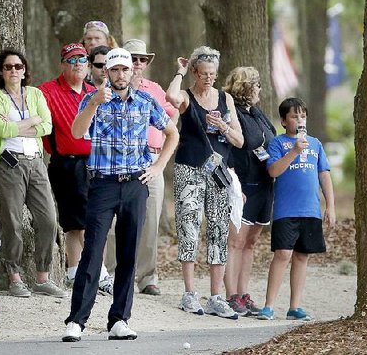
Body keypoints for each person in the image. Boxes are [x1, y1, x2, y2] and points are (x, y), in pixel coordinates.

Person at [62, 47, 178, 342]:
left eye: (126, 69)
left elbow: (172, 133)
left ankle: (119, 320)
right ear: (107, 72)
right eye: (115, 70)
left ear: (132, 71)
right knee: (92, 252)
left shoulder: (145, 101)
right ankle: (77, 320)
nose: (121, 74)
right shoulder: (94, 99)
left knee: (129, 253)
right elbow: (76, 132)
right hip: (102, 184)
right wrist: (93, 105)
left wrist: (158, 166)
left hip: (135, 183)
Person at [165, 46, 244, 319]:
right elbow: (171, 97)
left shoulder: (226, 99)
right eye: (203, 73)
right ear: (195, 73)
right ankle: (189, 293)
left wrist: (222, 125)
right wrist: (180, 70)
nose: (209, 78)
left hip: (218, 171)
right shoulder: (187, 96)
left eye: (213, 73)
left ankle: (216, 296)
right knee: (189, 227)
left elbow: (239, 139)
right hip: (189, 168)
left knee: (219, 230)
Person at [0, 49, 64, 298]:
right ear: (1, 71)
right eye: (8, 67)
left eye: (18, 67)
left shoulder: (35, 94)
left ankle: (43, 277)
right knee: (12, 221)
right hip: (8, 164)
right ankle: (15, 276)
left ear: (24, 70)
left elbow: (47, 125)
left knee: (48, 220)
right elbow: (2, 129)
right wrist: (31, 121)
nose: (13, 71)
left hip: (36, 162)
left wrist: (17, 127)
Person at [104, 39, 178, 296]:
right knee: (114, 221)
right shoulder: (108, 88)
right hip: (118, 163)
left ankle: (147, 276)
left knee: (150, 220)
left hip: (151, 161)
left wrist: (160, 163)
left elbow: (173, 115)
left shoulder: (154, 89)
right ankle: (112, 273)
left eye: (141, 60)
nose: (136, 64)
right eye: (132, 59)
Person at [39, 43, 112, 294]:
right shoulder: (47, 91)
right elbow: (44, 130)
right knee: (74, 222)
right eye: (72, 60)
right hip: (67, 163)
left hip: (97, 162)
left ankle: (94, 270)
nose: (78, 64)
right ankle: (77, 271)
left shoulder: (94, 92)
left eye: (82, 60)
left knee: (97, 218)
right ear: (63, 64)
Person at [256, 97, 335, 321]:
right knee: (283, 254)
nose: (300, 120)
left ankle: (295, 306)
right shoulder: (278, 143)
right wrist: (294, 151)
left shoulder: (315, 143)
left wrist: (330, 205)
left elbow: (324, 174)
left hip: (310, 209)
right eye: (294, 116)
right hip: (286, 209)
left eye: (303, 115)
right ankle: (269, 305)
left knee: (302, 256)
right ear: (284, 121)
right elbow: (273, 171)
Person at [221, 67, 275, 316]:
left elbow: (269, 140)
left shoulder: (257, 113)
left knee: (251, 242)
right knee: (236, 241)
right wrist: (234, 185)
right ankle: (231, 295)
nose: (260, 90)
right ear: (246, 87)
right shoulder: (233, 114)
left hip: (264, 185)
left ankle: (244, 293)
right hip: (243, 184)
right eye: (257, 85)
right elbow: (231, 149)